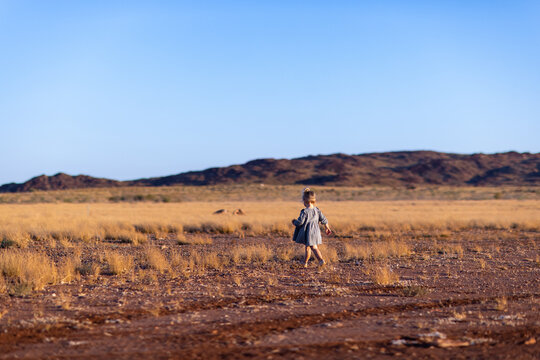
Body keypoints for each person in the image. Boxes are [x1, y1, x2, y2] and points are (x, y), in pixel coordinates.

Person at [292, 187, 332, 267]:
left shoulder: (305, 212)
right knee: (308, 247)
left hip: (309, 233)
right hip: (315, 232)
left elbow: (300, 222)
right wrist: (327, 227)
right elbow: (324, 219)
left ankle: (321, 260)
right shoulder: (317, 210)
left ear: (305, 201)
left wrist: (294, 222)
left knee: (313, 247)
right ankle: (305, 263)